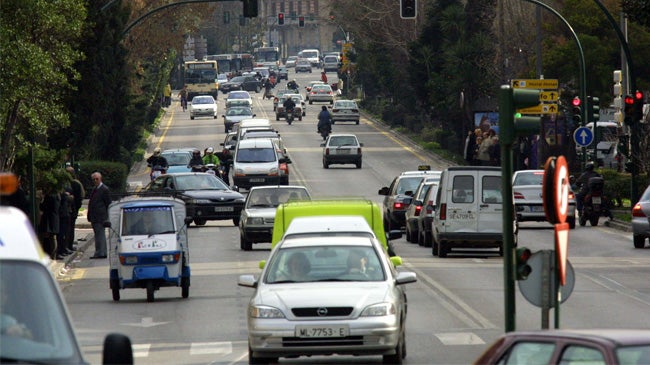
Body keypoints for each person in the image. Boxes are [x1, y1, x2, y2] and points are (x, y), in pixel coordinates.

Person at [87, 172, 111, 259]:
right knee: (98, 234)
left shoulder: (104, 189)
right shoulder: (95, 189)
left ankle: (100, 252)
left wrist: (107, 217)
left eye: (97, 179)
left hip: (100, 216)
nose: (95, 181)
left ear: (100, 179)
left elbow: (108, 203)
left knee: (100, 234)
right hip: (94, 216)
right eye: (93, 179)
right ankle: (101, 252)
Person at [38, 187, 60, 260]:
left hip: (48, 220)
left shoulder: (49, 196)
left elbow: (43, 207)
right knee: (52, 239)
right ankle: (53, 255)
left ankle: (49, 255)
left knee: (46, 238)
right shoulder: (57, 196)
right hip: (54, 219)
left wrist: (41, 200)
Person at [66, 167, 84, 252]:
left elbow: (78, 198)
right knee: (70, 228)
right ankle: (69, 245)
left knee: (69, 228)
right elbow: (80, 198)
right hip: (72, 209)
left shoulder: (72, 184)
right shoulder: (75, 183)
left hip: (72, 209)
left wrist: (75, 208)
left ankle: (69, 245)